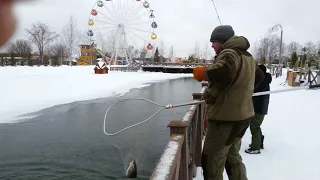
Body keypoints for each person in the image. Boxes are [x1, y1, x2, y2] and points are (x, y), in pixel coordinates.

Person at [193, 25, 265, 180]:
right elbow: (259, 77)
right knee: (232, 157)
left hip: (225, 120)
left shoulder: (229, 53)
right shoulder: (248, 57)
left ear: (222, 41)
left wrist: (202, 73)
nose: (212, 45)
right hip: (243, 117)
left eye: (214, 42)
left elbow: (224, 73)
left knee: (211, 161)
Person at [245, 64, 272, 154]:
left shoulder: (263, 82)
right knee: (256, 125)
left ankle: (255, 148)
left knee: (254, 126)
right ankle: (259, 143)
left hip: (259, 108)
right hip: (260, 107)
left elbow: (254, 91)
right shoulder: (265, 80)